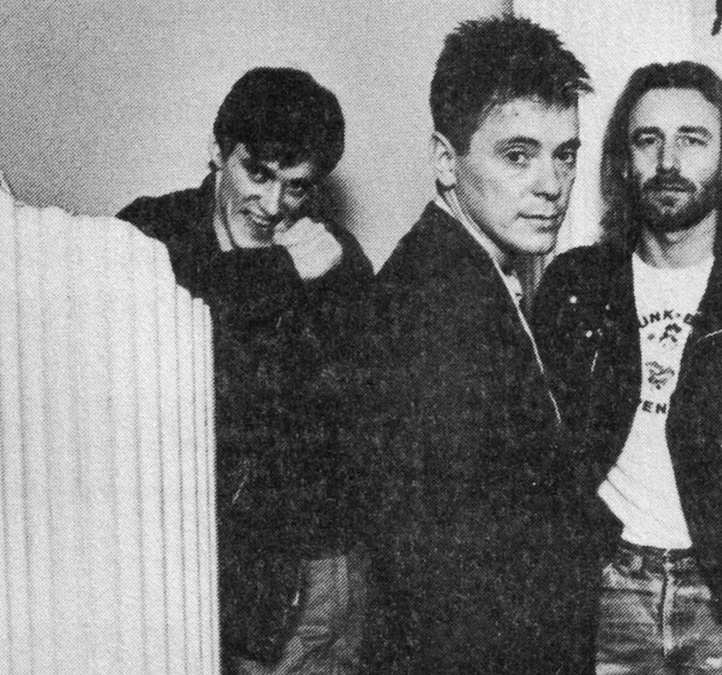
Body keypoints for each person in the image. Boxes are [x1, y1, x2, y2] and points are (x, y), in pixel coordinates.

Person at [531, 61, 722, 674]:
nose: (668, 160)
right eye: (647, 140)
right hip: (606, 591)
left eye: (692, 140)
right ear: (624, 163)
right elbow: (537, 449)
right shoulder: (576, 283)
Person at [350, 14, 596, 675]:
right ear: (445, 160)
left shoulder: (475, 272)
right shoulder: (433, 300)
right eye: (517, 155)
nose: (551, 184)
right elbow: (439, 575)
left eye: (565, 154)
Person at [116, 67, 373, 675]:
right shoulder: (150, 232)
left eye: (296, 187)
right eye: (257, 173)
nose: (272, 204)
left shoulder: (335, 259)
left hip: (303, 569)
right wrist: (279, 273)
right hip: (170, 550)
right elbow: (132, 333)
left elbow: (345, 429)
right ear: (217, 150)